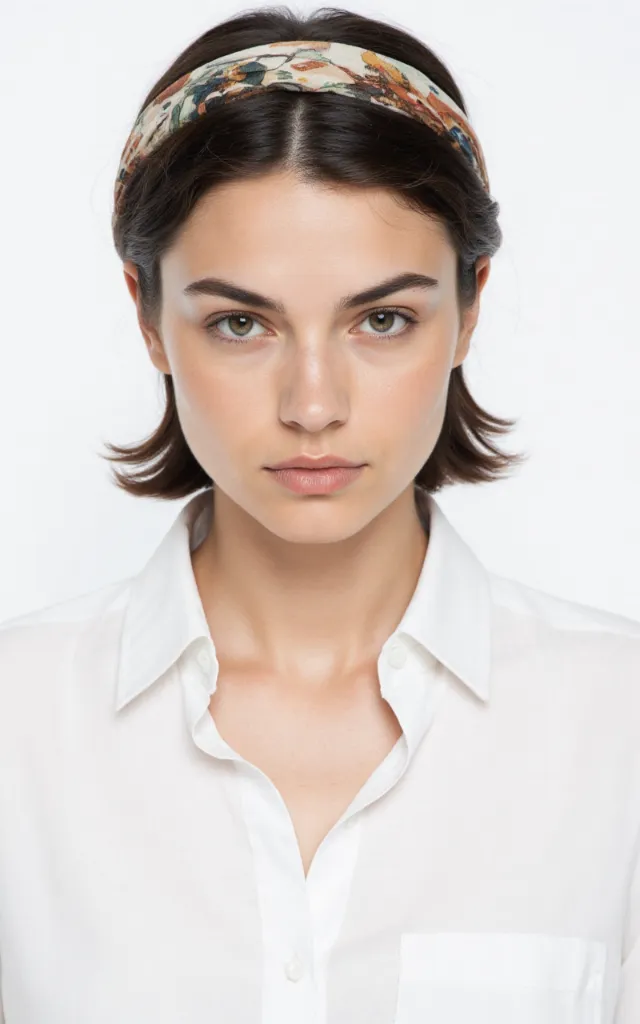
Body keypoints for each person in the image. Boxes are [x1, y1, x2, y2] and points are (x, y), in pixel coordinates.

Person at [0, 6, 639, 1023]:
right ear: (147, 313)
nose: (312, 404)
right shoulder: (18, 726)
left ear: (470, 306)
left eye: (381, 319)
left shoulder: (617, 728)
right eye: (239, 323)